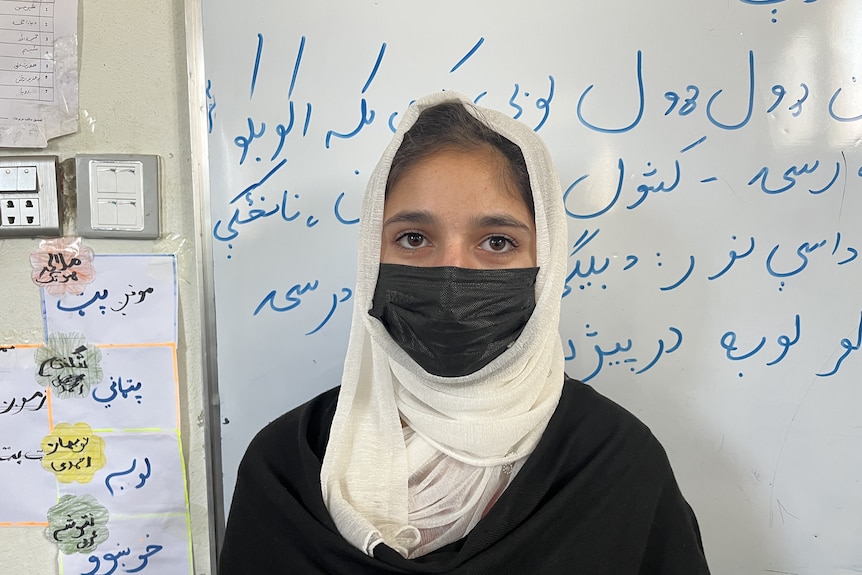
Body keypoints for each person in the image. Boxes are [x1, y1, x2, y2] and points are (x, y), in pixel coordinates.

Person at [219, 91, 711, 574]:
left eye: (497, 241)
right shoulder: (284, 469)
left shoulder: (617, 465)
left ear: (548, 262)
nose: (452, 275)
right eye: (414, 238)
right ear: (372, 253)